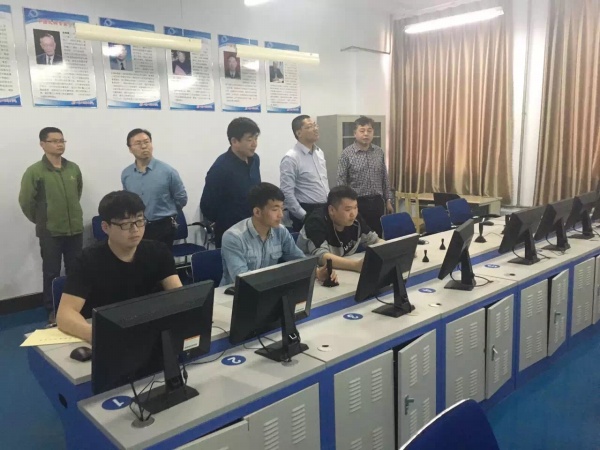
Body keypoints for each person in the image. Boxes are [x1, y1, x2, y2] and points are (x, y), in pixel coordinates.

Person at [56, 191, 182, 343]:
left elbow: (179, 296)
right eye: (125, 224)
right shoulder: (87, 260)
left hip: (150, 333)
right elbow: (65, 314)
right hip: (108, 335)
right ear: (105, 227)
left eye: (140, 221)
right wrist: (96, 336)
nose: (135, 229)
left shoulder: (159, 251)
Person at [19, 127, 83, 323]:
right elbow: (26, 202)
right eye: (54, 141)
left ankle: (75, 307)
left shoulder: (73, 168)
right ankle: (53, 308)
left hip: (75, 230)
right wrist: (42, 220)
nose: (59, 144)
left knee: (76, 270)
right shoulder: (35, 171)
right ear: (42, 144)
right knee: (51, 272)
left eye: (62, 140)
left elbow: (78, 192)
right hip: (50, 232)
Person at [220, 182, 337, 286]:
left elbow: (298, 260)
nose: (281, 215)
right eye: (275, 209)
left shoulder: (280, 231)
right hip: (232, 296)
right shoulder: (234, 237)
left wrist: (317, 272)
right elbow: (242, 279)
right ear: (257, 212)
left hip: (267, 290)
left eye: (282, 208)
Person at [121, 128, 188, 250]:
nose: (143, 146)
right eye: (138, 143)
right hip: (137, 227)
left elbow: (181, 198)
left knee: (161, 260)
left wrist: (168, 212)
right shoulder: (127, 174)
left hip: (163, 226)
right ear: (130, 149)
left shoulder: (167, 171)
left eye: (146, 142)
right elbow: (128, 201)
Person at [201, 117, 262, 248]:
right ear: (234, 141)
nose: (254, 144)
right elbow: (207, 206)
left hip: (254, 227)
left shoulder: (255, 160)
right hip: (231, 232)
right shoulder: (221, 168)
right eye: (249, 140)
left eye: (256, 138)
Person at [296, 185, 382, 272]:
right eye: (348, 209)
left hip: (342, 270)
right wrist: (355, 265)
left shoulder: (355, 220)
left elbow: (375, 240)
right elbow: (322, 257)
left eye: (355, 207)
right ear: (332, 210)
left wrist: (388, 251)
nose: (353, 214)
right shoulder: (316, 222)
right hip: (312, 273)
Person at [337, 116, 394, 237]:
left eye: (369, 130)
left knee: (377, 236)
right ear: (355, 133)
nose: (366, 134)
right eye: (362, 131)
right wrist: (345, 205)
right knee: (358, 236)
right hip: (357, 203)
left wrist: (388, 200)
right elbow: (341, 181)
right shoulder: (346, 154)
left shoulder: (379, 152)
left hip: (377, 202)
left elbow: (384, 177)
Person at [280, 115, 330, 232]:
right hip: (306, 210)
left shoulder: (319, 152)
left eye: (315, 125)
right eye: (310, 126)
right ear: (299, 133)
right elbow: (286, 193)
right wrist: (303, 215)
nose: (315, 129)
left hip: (324, 208)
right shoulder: (291, 158)